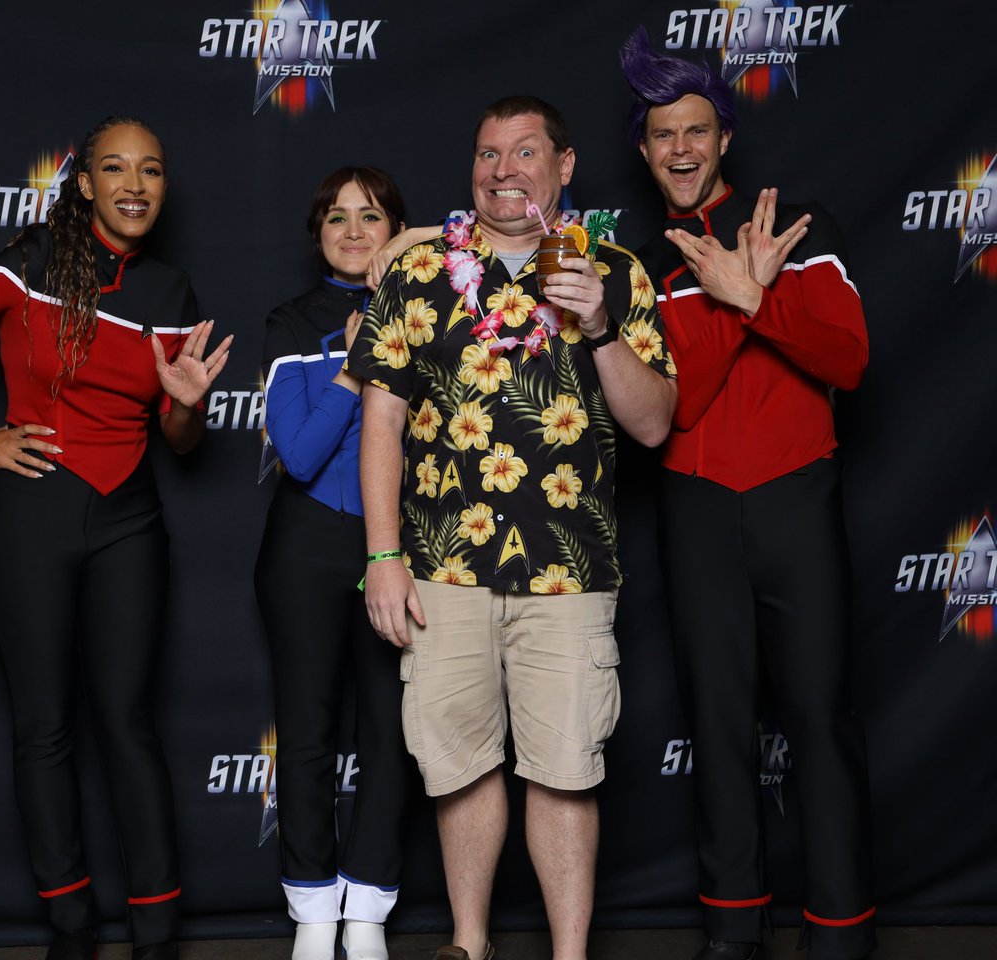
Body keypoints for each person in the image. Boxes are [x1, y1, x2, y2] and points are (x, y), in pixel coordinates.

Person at [0, 116, 231, 960]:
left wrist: (184, 403)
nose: (135, 185)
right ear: (85, 184)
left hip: (128, 520)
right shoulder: (24, 265)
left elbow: (180, 443)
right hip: (25, 517)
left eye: (150, 170)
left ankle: (155, 932)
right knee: (44, 726)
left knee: (128, 721)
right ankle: (70, 926)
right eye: (115, 168)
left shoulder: (173, 292)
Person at [348, 96, 677, 960]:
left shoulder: (617, 271)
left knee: (565, 768)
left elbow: (652, 424)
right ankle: (470, 944)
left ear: (563, 168)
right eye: (488, 154)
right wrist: (383, 556)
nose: (503, 171)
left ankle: (569, 956)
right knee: (458, 764)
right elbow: (380, 421)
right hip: (443, 568)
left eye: (525, 152)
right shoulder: (420, 274)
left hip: (570, 572)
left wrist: (600, 325)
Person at [620, 28, 875, 960]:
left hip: (796, 503)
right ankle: (733, 931)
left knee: (819, 718)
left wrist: (760, 294)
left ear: (724, 137)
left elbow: (847, 360)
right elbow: (673, 412)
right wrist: (736, 300)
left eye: (696, 130)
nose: (681, 149)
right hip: (695, 513)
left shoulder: (799, 227)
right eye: (662, 135)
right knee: (717, 726)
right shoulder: (640, 270)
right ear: (644, 151)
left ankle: (842, 931)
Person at [254, 167, 439, 960]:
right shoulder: (293, 321)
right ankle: (313, 912)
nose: (355, 231)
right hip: (306, 545)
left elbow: (491, 231)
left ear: (399, 227)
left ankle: (367, 908)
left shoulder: (435, 306)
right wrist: (356, 362)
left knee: (394, 732)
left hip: (398, 547)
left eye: (374, 217)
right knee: (306, 733)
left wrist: (418, 254)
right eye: (337, 217)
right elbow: (295, 455)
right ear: (317, 233)